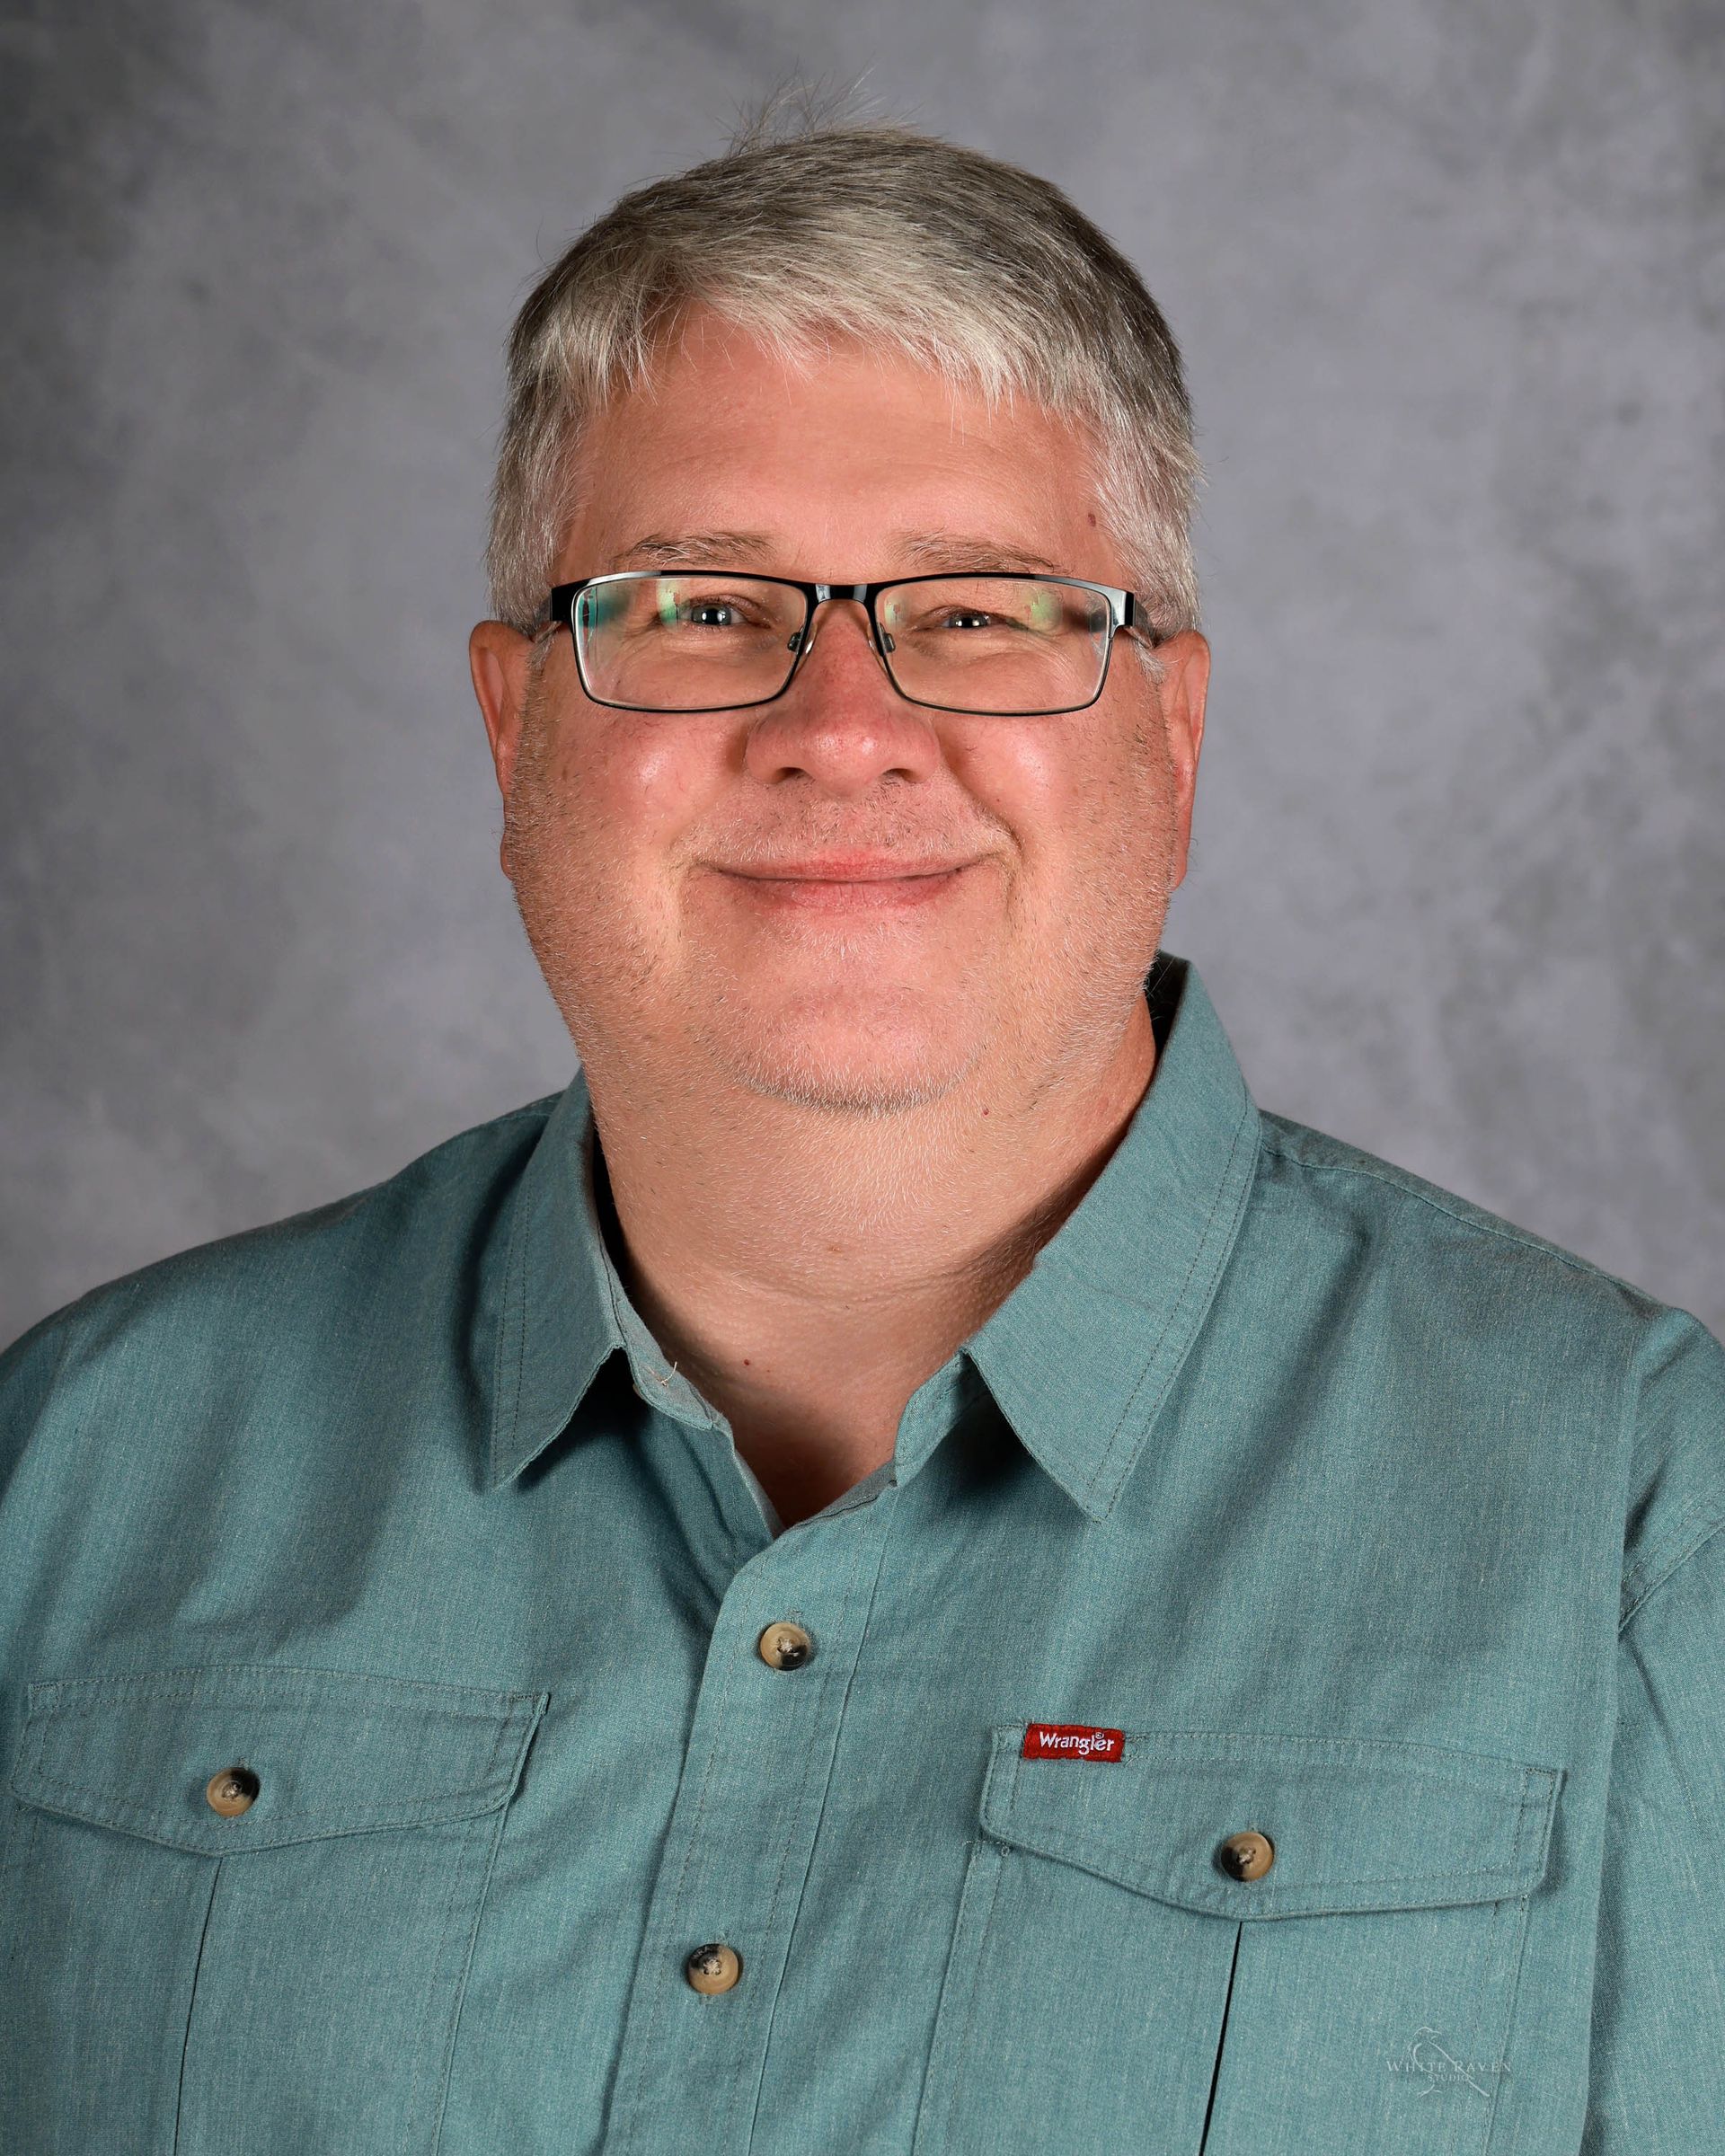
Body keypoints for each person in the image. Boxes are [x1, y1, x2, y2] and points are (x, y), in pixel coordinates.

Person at [1, 112, 1719, 2156]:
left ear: (1169, 735)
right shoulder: (74, 1485)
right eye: (703, 607)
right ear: (511, 723)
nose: (838, 726)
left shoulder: (1639, 1526)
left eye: (982, 611)